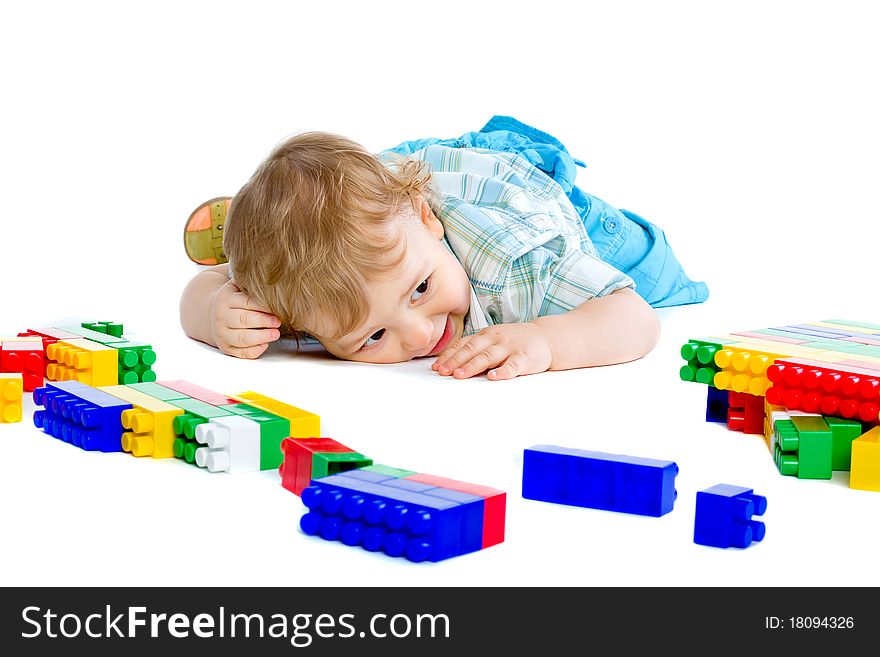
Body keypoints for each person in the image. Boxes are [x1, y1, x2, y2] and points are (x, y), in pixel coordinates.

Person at [180, 119, 704, 380]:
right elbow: (202, 294)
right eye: (373, 336)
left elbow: (634, 318)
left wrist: (545, 340)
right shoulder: (321, 287)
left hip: (525, 197)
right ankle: (243, 226)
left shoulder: (520, 262)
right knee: (301, 229)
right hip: (413, 181)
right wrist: (215, 309)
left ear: (427, 219)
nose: (421, 333)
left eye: (422, 289)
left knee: (658, 280)